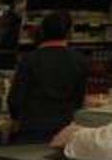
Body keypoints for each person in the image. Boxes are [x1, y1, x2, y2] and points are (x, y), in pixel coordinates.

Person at [9, 11, 91, 143]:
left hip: (31, 128)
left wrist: (15, 119)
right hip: (64, 129)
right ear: (68, 33)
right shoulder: (80, 61)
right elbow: (79, 100)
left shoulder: (30, 60)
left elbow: (15, 99)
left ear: (43, 31)